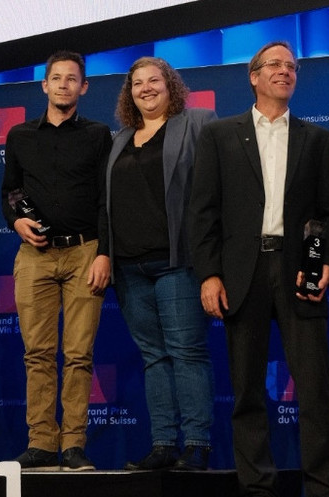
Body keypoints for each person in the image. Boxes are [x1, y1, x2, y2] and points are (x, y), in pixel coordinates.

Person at [189, 41, 329, 497]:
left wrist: (323, 265)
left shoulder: (317, 140)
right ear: (254, 77)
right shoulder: (219, 135)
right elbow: (203, 213)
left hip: (299, 273)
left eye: (291, 66)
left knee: (315, 390)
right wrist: (210, 274)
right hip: (242, 273)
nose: (285, 72)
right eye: (275, 65)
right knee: (247, 393)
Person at [1, 50, 112, 471]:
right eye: (56, 78)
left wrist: (104, 252)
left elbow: (106, 199)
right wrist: (16, 222)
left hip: (85, 250)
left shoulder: (99, 135)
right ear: (44, 85)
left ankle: (74, 445)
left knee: (79, 354)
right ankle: (42, 442)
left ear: (83, 88)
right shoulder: (20, 136)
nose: (64, 84)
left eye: (72, 79)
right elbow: (9, 190)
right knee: (38, 354)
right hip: (35, 255)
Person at [106, 57, 216, 471]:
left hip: (177, 262)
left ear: (171, 86)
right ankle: (163, 444)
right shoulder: (119, 139)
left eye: (155, 80)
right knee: (154, 357)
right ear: (129, 92)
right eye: (138, 83)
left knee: (186, 352)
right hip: (130, 269)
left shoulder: (198, 123)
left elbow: (212, 193)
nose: (146, 88)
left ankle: (197, 445)